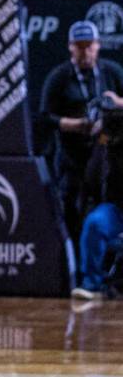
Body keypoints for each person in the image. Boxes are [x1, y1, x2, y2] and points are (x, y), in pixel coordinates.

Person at [39, 21, 123, 246]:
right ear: (70, 47)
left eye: (89, 45)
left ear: (98, 45)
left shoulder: (112, 72)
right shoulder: (59, 77)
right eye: (80, 46)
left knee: (104, 209)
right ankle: (72, 265)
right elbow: (45, 118)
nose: (85, 51)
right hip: (71, 157)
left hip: (107, 157)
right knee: (70, 211)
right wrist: (79, 125)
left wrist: (116, 104)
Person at [71, 91, 123, 300]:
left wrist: (119, 102)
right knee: (95, 223)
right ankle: (92, 285)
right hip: (119, 208)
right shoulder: (109, 143)